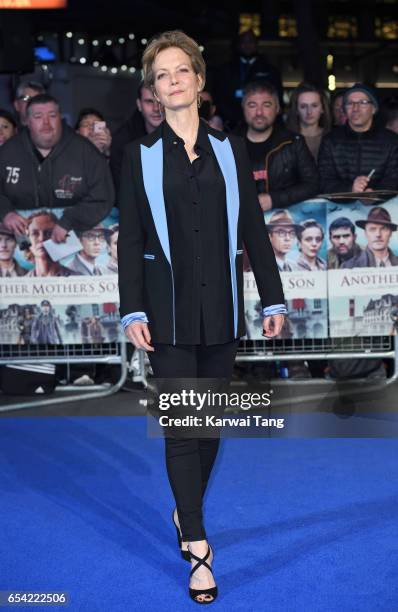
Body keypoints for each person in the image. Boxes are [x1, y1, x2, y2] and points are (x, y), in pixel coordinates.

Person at [117, 30, 286, 605]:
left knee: (207, 425)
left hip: (220, 309)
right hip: (164, 312)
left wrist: (273, 297)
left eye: (180, 70)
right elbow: (131, 237)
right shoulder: (137, 155)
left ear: (198, 79)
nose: (172, 81)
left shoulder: (230, 149)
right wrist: (132, 308)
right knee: (180, 428)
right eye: (161, 75)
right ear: (153, 91)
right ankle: (197, 543)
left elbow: (253, 232)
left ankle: (183, 507)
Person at [0, 94, 114, 242]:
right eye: (38, 116)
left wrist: (69, 221)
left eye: (52, 115)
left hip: (75, 239)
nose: (46, 123)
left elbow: (103, 198)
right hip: (17, 243)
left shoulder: (86, 152)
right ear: (27, 121)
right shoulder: (8, 152)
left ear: (60, 117)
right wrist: (5, 213)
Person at [238, 80, 319, 211]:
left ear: (277, 109)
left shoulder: (293, 142)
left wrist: (274, 199)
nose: (259, 112)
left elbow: (313, 184)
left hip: (284, 225)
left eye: (266, 105)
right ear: (243, 109)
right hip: (241, 225)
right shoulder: (227, 144)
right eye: (252, 105)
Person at [318, 83, 398, 194]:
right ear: (345, 109)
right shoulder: (330, 140)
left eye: (363, 102)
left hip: (380, 206)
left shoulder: (391, 141)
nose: (355, 108)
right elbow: (323, 181)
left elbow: (394, 179)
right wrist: (350, 189)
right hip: (339, 206)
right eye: (350, 103)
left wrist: (374, 194)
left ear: (374, 109)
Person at [214, 28, 283, 129]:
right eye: (244, 41)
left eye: (250, 41)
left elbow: (277, 98)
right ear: (238, 44)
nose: (247, 45)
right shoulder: (225, 69)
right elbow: (218, 97)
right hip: (230, 124)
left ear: (256, 44)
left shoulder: (270, 70)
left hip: (262, 122)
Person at [110, 81, 163, 191]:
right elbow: (122, 191)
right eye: (149, 102)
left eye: (160, 101)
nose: (156, 108)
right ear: (139, 105)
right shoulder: (123, 141)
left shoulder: (184, 135)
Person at [286, 82, 332, 162]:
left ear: (322, 108)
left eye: (314, 105)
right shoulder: (286, 140)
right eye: (303, 106)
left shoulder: (332, 138)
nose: (309, 111)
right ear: (296, 110)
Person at [24, 211, 75, 277]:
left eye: (49, 233)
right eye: (35, 233)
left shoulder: (79, 278)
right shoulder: (20, 283)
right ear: (28, 241)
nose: (41, 238)